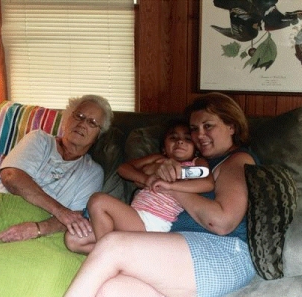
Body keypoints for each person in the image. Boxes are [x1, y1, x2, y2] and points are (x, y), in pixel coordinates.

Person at [64, 92, 259, 297]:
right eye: (194, 129)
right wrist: (153, 175)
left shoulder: (235, 161)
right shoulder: (198, 162)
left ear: (231, 126)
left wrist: (168, 185)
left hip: (222, 254)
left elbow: (222, 221)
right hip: (180, 247)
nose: (200, 135)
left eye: (208, 126)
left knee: (112, 246)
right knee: (111, 289)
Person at [0, 94, 113, 243]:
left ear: (98, 136)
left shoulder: (92, 172)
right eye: (79, 116)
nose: (82, 124)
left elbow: (77, 218)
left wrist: (37, 229)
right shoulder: (39, 140)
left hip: (37, 230)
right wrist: (60, 211)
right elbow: (11, 177)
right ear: (67, 119)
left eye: (92, 122)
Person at [65, 119, 214, 254]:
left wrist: (171, 186)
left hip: (153, 222)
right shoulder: (159, 159)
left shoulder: (196, 162)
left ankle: (108, 256)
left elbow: (207, 183)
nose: (180, 142)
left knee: (98, 201)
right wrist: (147, 179)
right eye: (173, 138)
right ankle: (123, 256)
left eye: (187, 138)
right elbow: (124, 169)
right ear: (163, 148)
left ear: (196, 148)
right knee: (73, 239)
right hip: (135, 216)